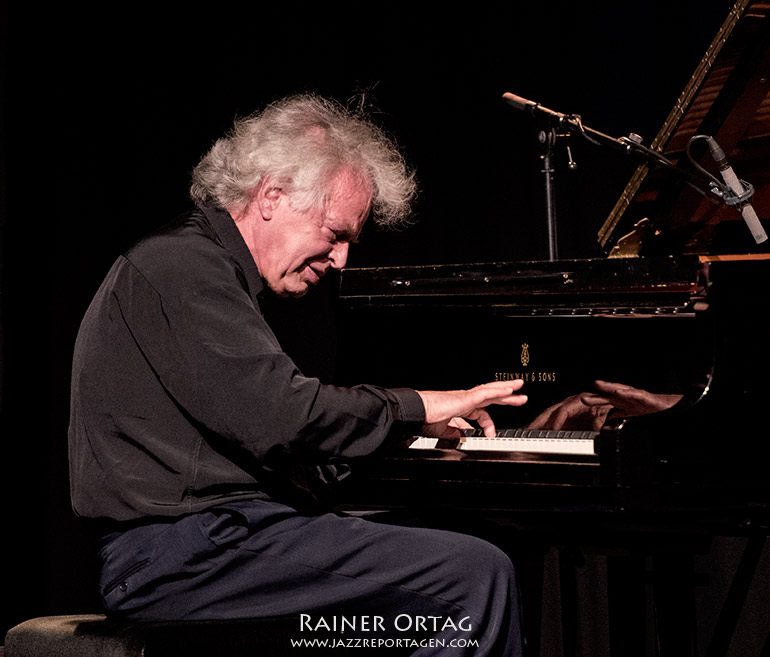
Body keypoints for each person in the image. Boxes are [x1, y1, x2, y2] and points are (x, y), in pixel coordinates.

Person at [68, 94, 529, 656]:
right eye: (335, 234)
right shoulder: (182, 266)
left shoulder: (206, 267)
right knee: (470, 576)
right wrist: (418, 407)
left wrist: (403, 437)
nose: (340, 261)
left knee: (458, 551)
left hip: (218, 539)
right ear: (272, 196)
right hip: (183, 556)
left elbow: (264, 435)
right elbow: (282, 417)